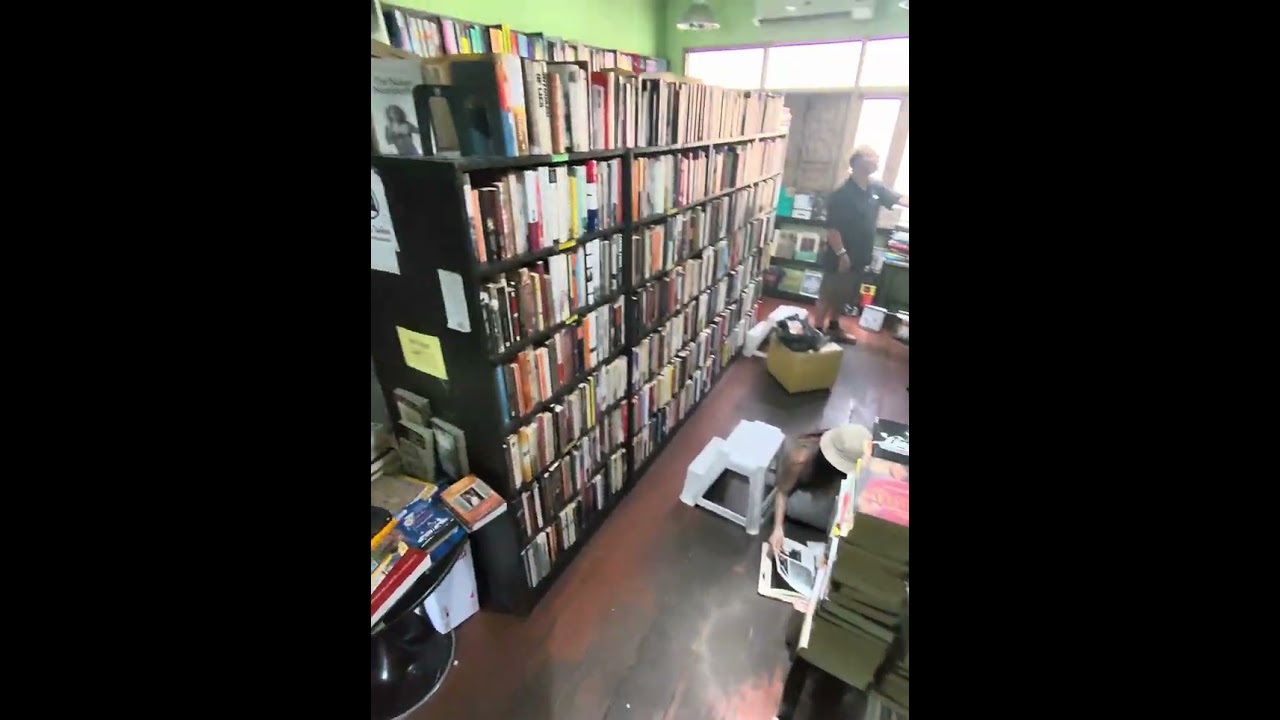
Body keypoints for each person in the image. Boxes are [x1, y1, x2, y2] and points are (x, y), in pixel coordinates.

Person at [815, 147, 910, 344]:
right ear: (858, 163)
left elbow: (898, 198)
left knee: (844, 294)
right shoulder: (842, 194)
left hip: (861, 254)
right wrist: (842, 254)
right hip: (841, 254)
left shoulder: (875, 188)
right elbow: (833, 228)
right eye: (872, 157)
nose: (876, 161)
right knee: (829, 292)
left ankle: (833, 327)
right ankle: (815, 331)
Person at [768, 424, 871, 558]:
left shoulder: (840, 444)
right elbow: (782, 492)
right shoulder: (800, 460)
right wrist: (778, 529)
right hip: (803, 495)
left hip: (825, 490)